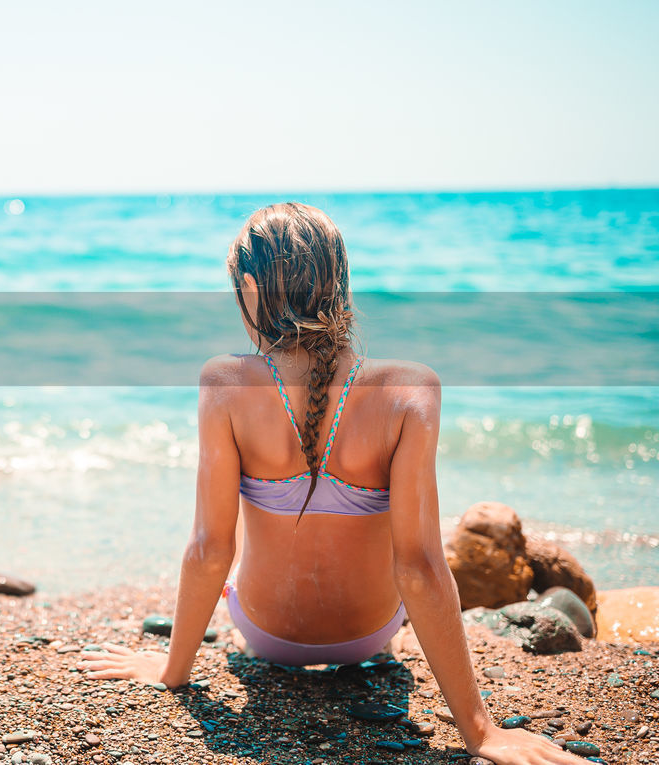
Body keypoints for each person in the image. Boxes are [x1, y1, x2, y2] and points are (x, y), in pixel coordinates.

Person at [78, 203, 582, 764]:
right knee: (408, 535)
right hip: (369, 635)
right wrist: (482, 732)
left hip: (266, 633)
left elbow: (208, 549)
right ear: (340, 282)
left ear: (249, 288)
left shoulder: (223, 382)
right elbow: (419, 567)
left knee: (236, 527)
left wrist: (173, 671)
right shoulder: (411, 389)